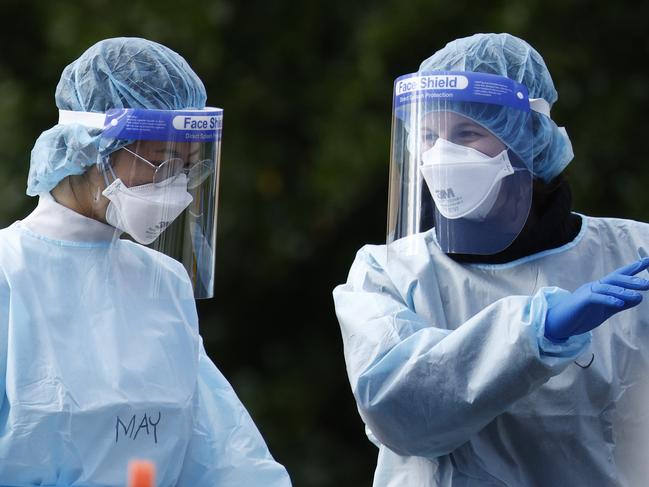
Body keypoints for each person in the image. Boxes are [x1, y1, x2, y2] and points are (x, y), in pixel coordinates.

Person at [333, 33, 649, 486]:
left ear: (530, 138)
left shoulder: (634, 257)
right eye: (428, 135)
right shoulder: (387, 274)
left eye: (467, 133)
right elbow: (400, 411)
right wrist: (535, 331)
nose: (441, 155)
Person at [0, 37, 291, 486]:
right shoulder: (8, 272)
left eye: (187, 168)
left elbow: (227, 458)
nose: (176, 187)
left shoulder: (167, 283)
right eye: (161, 162)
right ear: (90, 145)